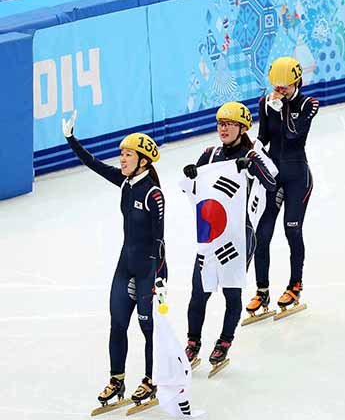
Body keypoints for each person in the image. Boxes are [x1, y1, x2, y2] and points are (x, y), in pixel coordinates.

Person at [62, 111, 166, 410]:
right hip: (126, 265)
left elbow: (159, 240)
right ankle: (117, 379)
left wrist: (159, 277)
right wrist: (71, 139)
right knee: (118, 323)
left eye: (127, 154)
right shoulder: (125, 182)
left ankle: (152, 377)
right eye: (121, 154)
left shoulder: (153, 193)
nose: (121, 159)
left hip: (149, 269)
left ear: (144, 160)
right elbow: (93, 164)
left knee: (149, 329)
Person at [181, 102, 276, 369]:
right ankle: (193, 342)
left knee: (231, 294)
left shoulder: (253, 153)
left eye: (229, 124)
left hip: (238, 236)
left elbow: (271, 183)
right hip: (210, 235)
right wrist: (191, 175)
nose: (223, 128)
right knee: (199, 292)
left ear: (242, 127)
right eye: (220, 123)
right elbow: (195, 189)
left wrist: (253, 167)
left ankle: (224, 340)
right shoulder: (209, 155)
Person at [246, 57, 319, 319]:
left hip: (298, 177)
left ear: (296, 82)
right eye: (276, 87)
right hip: (273, 177)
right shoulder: (265, 103)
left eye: (285, 87)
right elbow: (265, 136)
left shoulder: (309, 104)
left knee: (292, 230)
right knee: (262, 235)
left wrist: (282, 107)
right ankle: (262, 290)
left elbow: (293, 134)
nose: (279, 92)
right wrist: (253, 150)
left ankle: (295, 286)